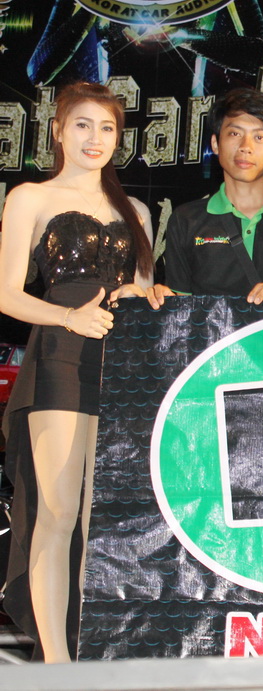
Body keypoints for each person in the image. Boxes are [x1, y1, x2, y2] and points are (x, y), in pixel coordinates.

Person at [0, 83, 154, 662]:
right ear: (58, 131)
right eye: (83, 125)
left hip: (121, 364)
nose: (95, 138)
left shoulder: (137, 212)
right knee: (59, 510)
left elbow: (142, 292)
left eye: (107, 128)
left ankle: (96, 651)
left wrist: (146, 294)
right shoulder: (30, 197)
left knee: (102, 519)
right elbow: (6, 294)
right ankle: (56, 664)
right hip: (61, 356)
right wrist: (69, 316)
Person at [147, 88, 263, 307]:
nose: (246, 147)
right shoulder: (186, 219)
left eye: (259, 137)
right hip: (208, 331)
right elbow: (180, 312)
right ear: (215, 144)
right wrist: (162, 299)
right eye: (235, 134)